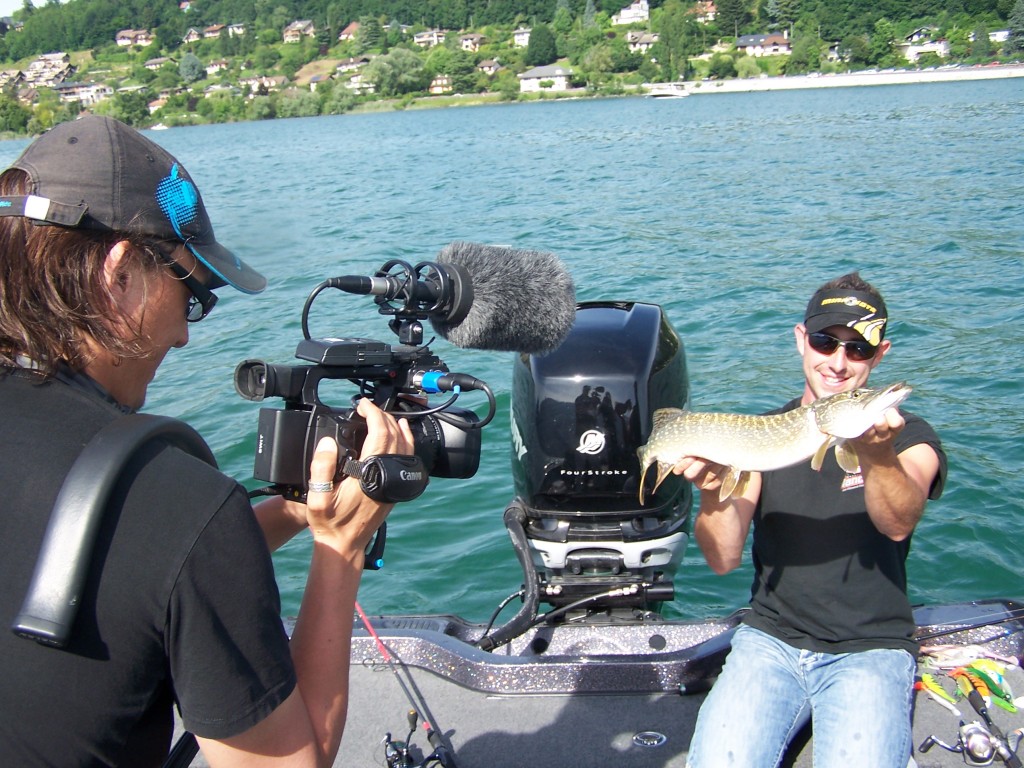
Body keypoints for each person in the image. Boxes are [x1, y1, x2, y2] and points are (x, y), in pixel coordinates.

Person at [0, 115, 414, 767]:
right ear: (120, 273)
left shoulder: (160, 513)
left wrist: (296, 514)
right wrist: (342, 547)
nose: (185, 335)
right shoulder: (170, 495)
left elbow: (123, 565)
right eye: (192, 295)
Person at [677, 273, 947, 768]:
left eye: (858, 350)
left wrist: (877, 454)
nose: (839, 363)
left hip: (871, 648)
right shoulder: (760, 436)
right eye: (826, 342)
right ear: (802, 340)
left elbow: (897, 522)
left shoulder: (908, 438)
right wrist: (713, 494)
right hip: (770, 642)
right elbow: (721, 557)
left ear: (879, 355)